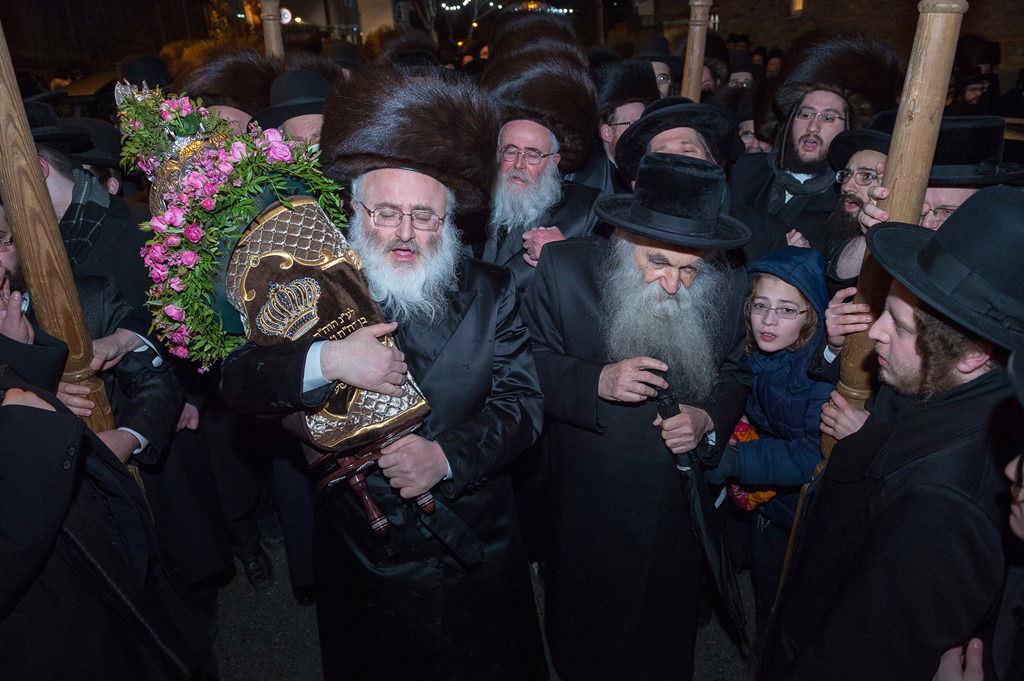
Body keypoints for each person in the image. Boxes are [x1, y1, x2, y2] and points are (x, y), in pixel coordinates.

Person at [221, 65, 548, 681]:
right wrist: (328, 360)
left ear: (450, 221)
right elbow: (238, 383)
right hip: (361, 542)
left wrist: (445, 458)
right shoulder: (311, 280)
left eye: (424, 217)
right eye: (386, 213)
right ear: (353, 207)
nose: (404, 232)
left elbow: (522, 405)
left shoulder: (494, 290)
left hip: (475, 531)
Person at [758, 185, 1024, 681]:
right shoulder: (936, 389)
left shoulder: (945, 502)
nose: (875, 330)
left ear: (973, 355)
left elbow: (870, 655)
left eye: (899, 326)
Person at [522, 153, 752, 681]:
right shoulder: (566, 269)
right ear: (623, 242)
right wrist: (594, 381)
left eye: (690, 269)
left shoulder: (731, 282)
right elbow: (522, 367)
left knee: (662, 643)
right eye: (658, 263)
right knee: (584, 639)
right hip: (586, 499)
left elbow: (739, 373)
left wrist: (707, 420)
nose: (673, 284)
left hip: (677, 506)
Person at [0, 267, 216, 680]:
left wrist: (130, 437)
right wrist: (31, 384)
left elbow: (158, 375)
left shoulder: (82, 297)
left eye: (4, 241)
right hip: (57, 604)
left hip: (131, 510)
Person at [706, 246, 833, 626]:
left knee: (784, 601)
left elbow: (814, 454)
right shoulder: (753, 353)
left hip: (792, 513)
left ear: (811, 316)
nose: (769, 320)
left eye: (787, 310)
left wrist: (739, 460)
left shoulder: (817, 380)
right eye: (760, 305)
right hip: (763, 503)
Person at [730, 36, 902, 230]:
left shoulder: (847, 194)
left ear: (849, 129)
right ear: (789, 121)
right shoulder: (748, 172)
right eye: (805, 114)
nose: (813, 127)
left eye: (829, 118)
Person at [478, 44, 600, 290]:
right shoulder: (472, 206)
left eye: (533, 154)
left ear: (554, 161)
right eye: (510, 151)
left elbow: (596, 295)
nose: (519, 164)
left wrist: (563, 259)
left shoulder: (585, 213)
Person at [615, 98, 791, 263]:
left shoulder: (764, 235)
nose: (677, 162)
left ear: (712, 162)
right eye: (663, 154)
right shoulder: (621, 238)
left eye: (687, 151)